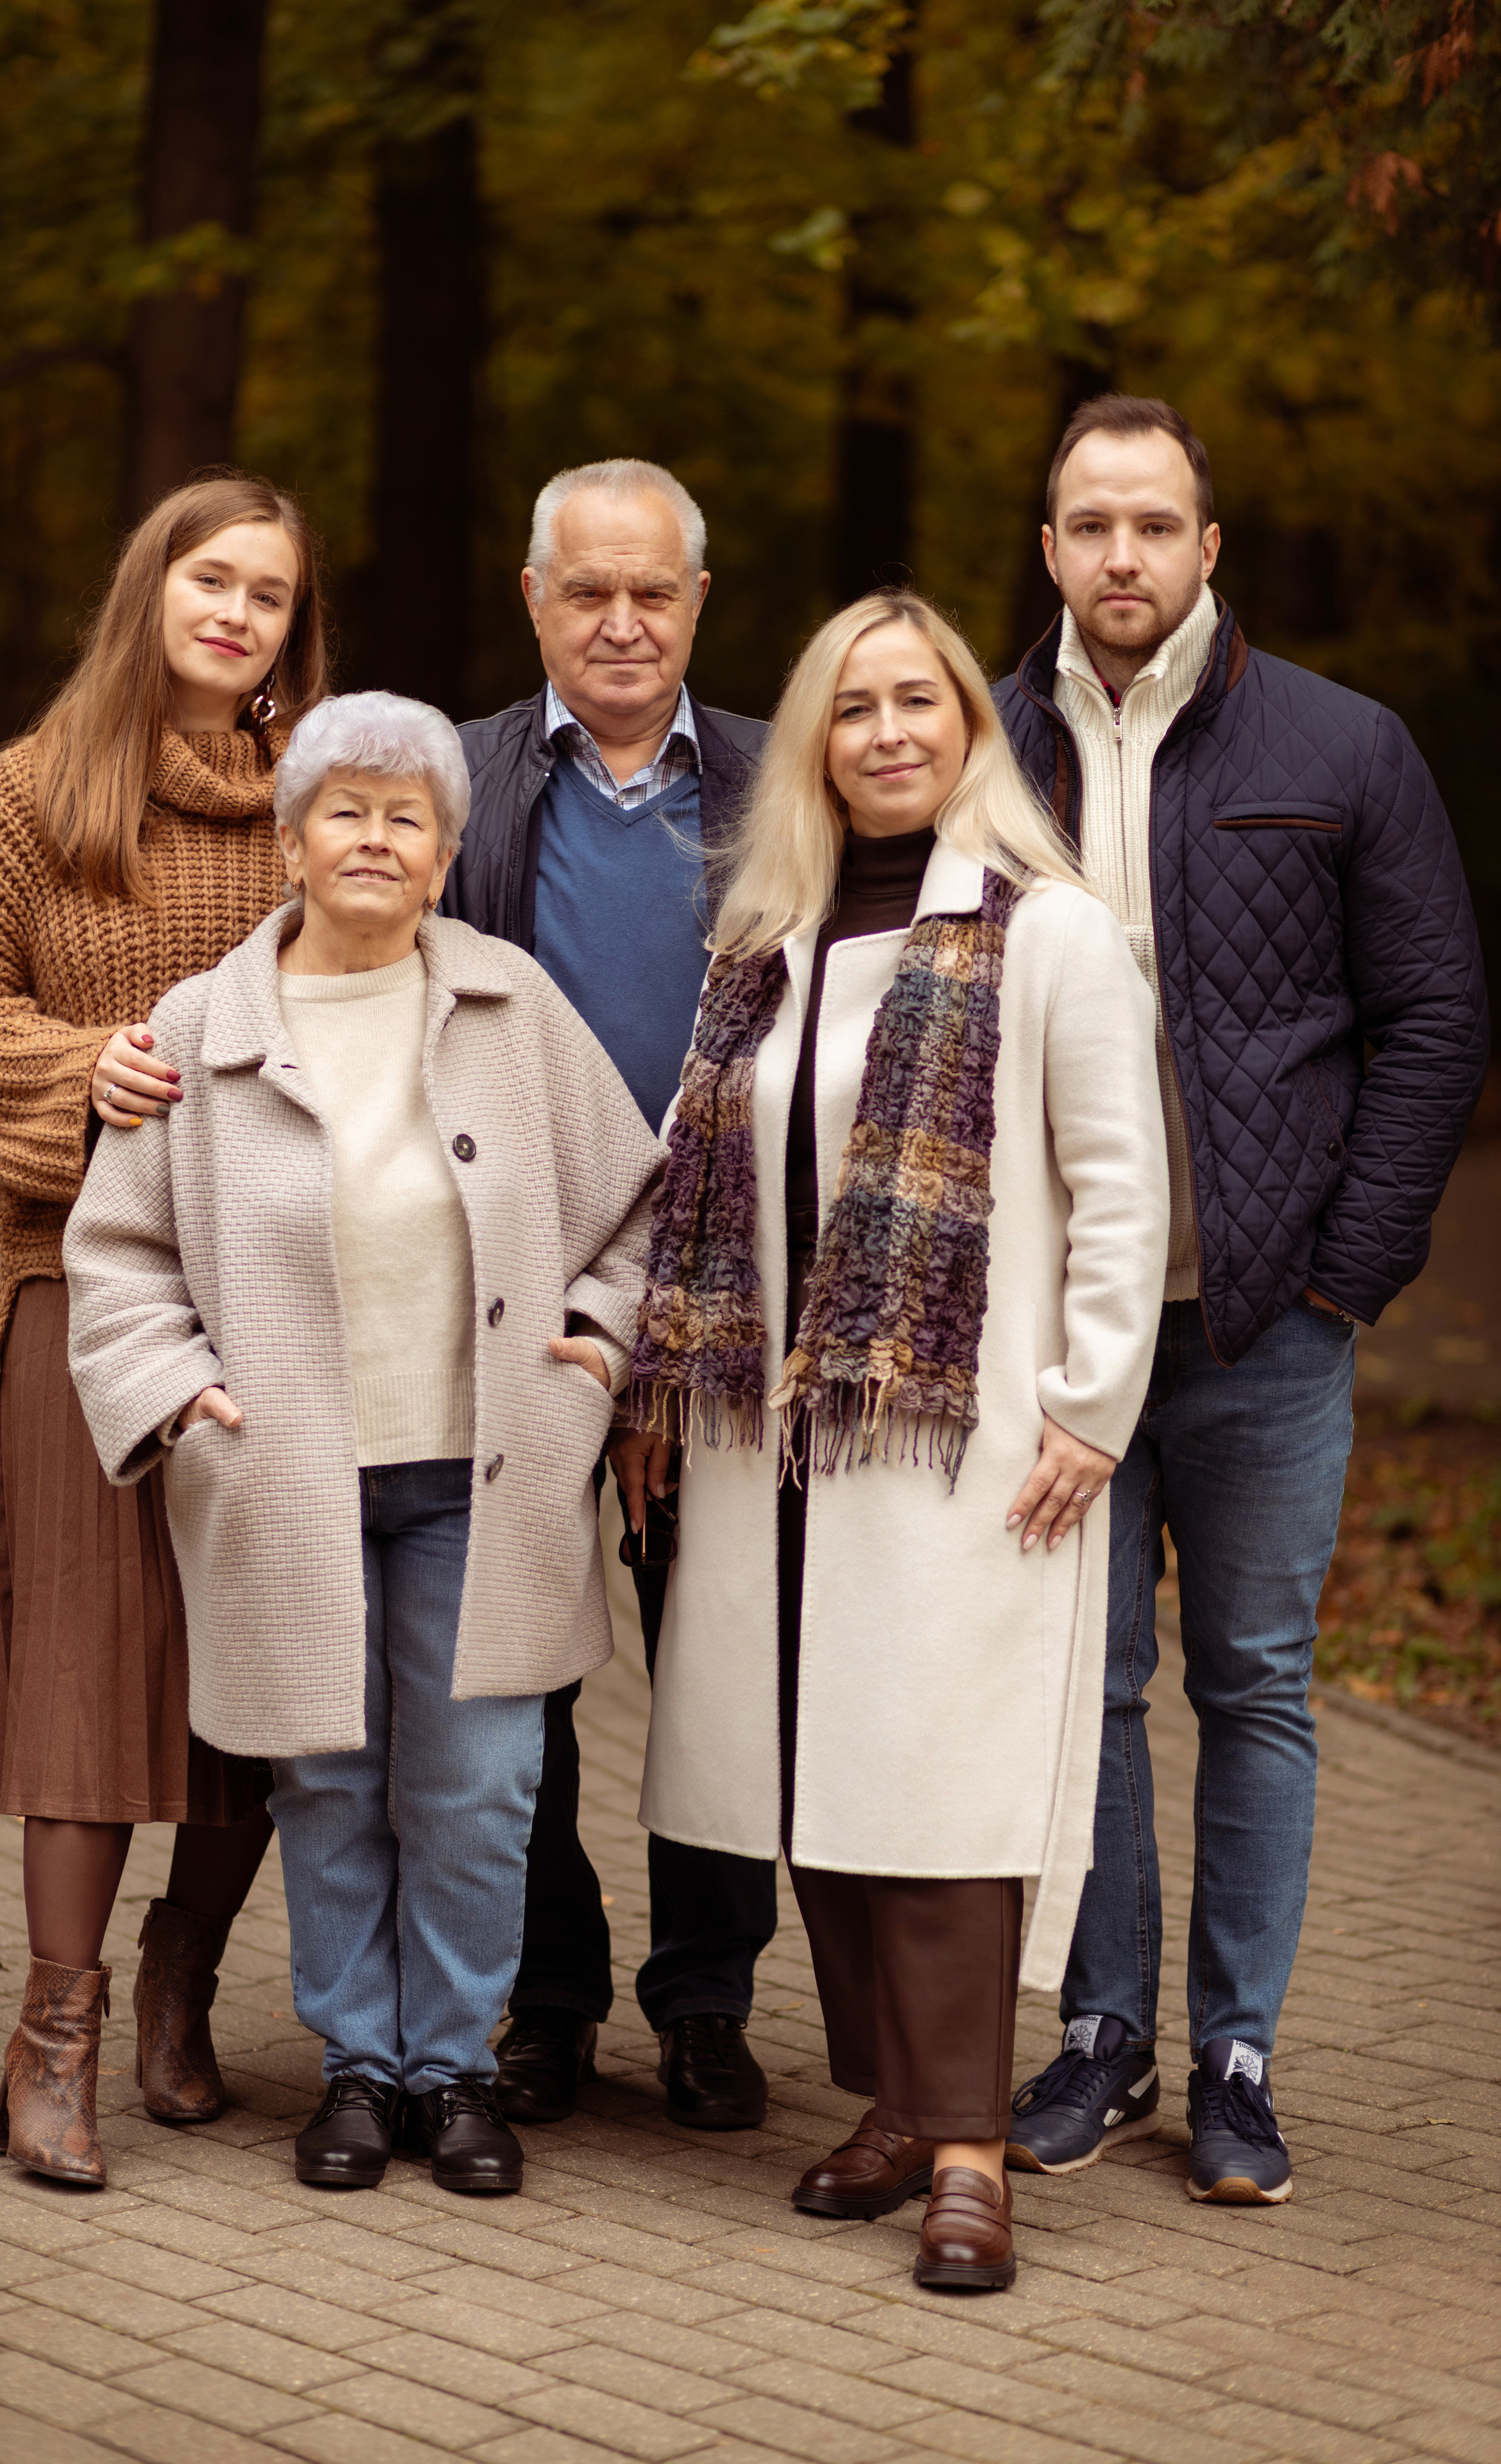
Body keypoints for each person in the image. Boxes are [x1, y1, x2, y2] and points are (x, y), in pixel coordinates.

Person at [617, 589, 1169, 2293]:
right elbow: (686, 1176)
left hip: (957, 1438)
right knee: (811, 1778)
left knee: (937, 1786)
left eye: (917, 701)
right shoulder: (761, 947)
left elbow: (1120, 1189)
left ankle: (971, 2149)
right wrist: (644, 1369)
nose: (886, 733)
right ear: (813, 742)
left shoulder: (1047, 932)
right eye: (851, 708)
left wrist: (1089, 1405)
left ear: (970, 728)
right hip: (766, 1451)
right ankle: (889, 2108)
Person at [64, 692, 663, 2198]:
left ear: (449, 847)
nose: (377, 839)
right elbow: (116, 1252)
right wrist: (176, 1390)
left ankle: (455, 2069)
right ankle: (356, 2069)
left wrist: (597, 1349)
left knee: (475, 1784)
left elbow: (635, 1212)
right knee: (325, 1785)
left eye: (409, 817)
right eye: (346, 810)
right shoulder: (205, 1028)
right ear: (291, 836)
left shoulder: (513, 1004)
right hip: (286, 1470)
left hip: (481, 1469)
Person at [995, 395, 1491, 2205]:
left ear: (1212, 548)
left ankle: (1239, 2060)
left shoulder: (1343, 745)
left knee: (1260, 1684)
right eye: (1089, 524)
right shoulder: (976, 745)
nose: (1122, 555)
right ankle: (1105, 2036)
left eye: (1156, 524)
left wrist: (1346, 1274)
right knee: (1089, 1687)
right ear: (1048, 547)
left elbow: (1433, 1022)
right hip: (1059, 1340)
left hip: (1266, 1329)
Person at [0, 472, 327, 2187]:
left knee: (250, 1679)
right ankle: (51, 2035)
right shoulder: (38, 789)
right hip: (82, 1293)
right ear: (150, 590)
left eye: (270, 597)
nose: (237, 615)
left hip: (283, 1303)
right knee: (90, 1669)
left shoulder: (318, 798)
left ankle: (178, 1982)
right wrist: (89, 1066)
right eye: (210, 581)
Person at [442, 459, 778, 2132]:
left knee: (721, 1657)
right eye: (591, 592)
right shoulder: (462, 779)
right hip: (512, 1296)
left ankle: (708, 2000)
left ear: (699, 603)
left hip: (738, 1300)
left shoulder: (791, 779)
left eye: (655, 592)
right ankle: (548, 1998)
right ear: (536, 599)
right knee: (526, 1661)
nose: (625, 621)